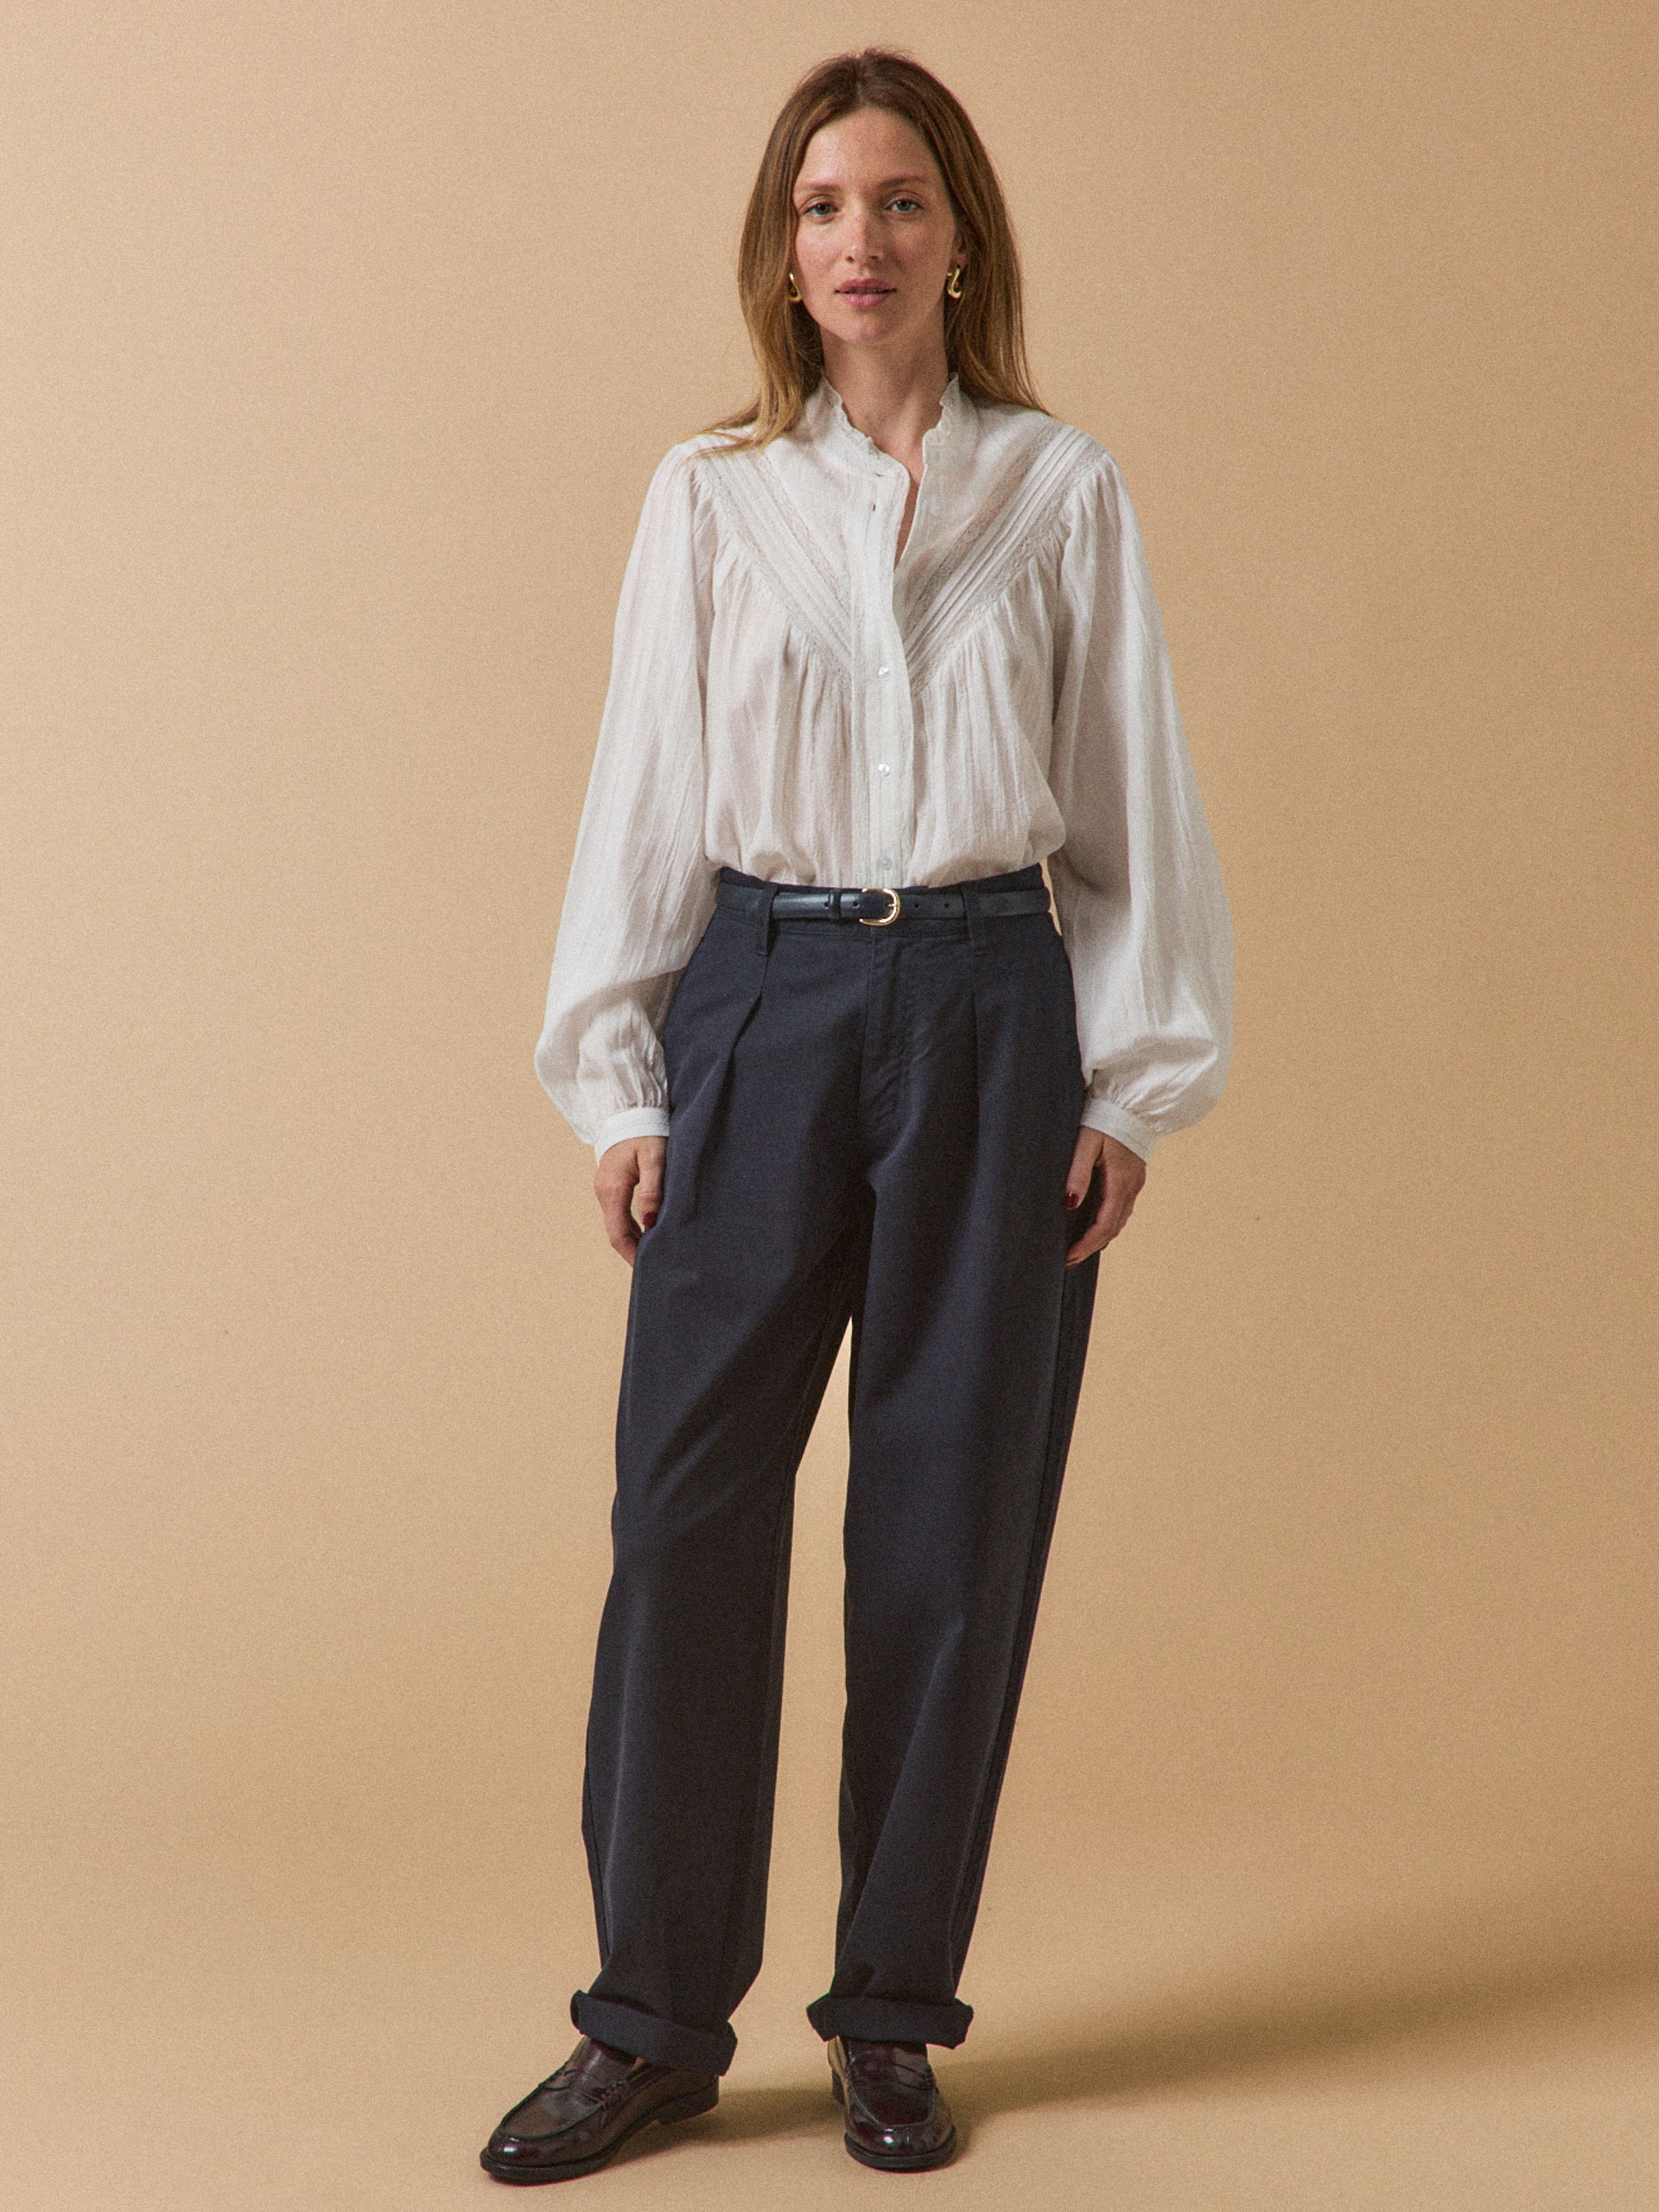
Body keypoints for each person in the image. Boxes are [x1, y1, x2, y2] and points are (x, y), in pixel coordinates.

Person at [483, 45, 1233, 2185]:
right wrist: (621, 1076)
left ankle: (892, 2012)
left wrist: (1133, 1075)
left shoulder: (1059, 491)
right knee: (686, 1512)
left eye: (899, 200)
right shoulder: (711, 496)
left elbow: (1128, 803)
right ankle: (651, 2022)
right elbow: (644, 789)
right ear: (781, 247)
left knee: (947, 1524)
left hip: (996, 1006)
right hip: (762, 998)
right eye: (823, 206)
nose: (861, 240)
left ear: (959, 235)